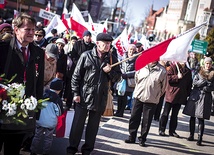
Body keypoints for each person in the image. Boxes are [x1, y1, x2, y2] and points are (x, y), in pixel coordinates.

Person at [66, 33, 121, 155]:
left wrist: (110, 71)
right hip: (84, 96)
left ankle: (87, 150)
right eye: (105, 43)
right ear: (97, 43)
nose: (107, 46)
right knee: (77, 126)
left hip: (100, 98)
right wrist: (76, 93)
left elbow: (118, 78)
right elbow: (76, 76)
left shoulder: (112, 59)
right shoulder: (86, 56)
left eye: (109, 44)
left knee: (93, 127)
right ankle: (72, 149)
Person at [0, 13, 44, 155]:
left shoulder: (38, 52)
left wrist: (36, 111)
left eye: (33, 30)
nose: (32, 33)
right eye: (27, 29)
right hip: (2, 108)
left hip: (22, 112)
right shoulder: (4, 48)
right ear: (16, 30)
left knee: (13, 150)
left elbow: (38, 83)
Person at [125, 61, 167, 146]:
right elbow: (136, 80)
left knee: (146, 121)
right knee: (134, 117)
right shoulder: (141, 66)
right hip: (138, 97)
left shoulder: (162, 71)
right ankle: (132, 136)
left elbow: (163, 88)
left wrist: (156, 95)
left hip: (151, 99)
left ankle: (142, 139)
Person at [183, 57, 214, 146]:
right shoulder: (198, 71)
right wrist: (205, 81)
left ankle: (200, 138)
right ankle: (191, 135)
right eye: (206, 63)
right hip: (196, 96)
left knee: (201, 118)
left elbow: (212, 87)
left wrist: (205, 88)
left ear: (211, 64)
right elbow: (195, 83)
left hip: (205, 98)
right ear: (204, 64)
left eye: (209, 63)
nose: (208, 65)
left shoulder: (213, 74)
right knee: (192, 116)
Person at [30, 78, 64, 155]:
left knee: (37, 136)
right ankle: (45, 152)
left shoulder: (43, 94)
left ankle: (33, 151)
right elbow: (59, 113)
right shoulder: (57, 99)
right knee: (48, 138)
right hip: (50, 123)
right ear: (59, 90)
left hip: (40, 120)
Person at [159, 62, 192, 138]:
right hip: (171, 94)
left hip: (181, 95)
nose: (182, 62)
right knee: (165, 113)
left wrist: (187, 93)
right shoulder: (172, 68)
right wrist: (177, 77)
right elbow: (168, 79)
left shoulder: (188, 71)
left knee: (175, 114)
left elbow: (189, 83)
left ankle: (172, 130)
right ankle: (162, 129)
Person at [114, 44, 137, 117]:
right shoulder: (124, 57)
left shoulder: (136, 59)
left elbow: (136, 71)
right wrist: (120, 72)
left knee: (124, 97)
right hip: (121, 79)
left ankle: (121, 112)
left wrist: (127, 75)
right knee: (119, 96)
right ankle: (118, 110)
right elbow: (120, 66)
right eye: (130, 49)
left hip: (129, 81)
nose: (131, 51)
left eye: (133, 50)